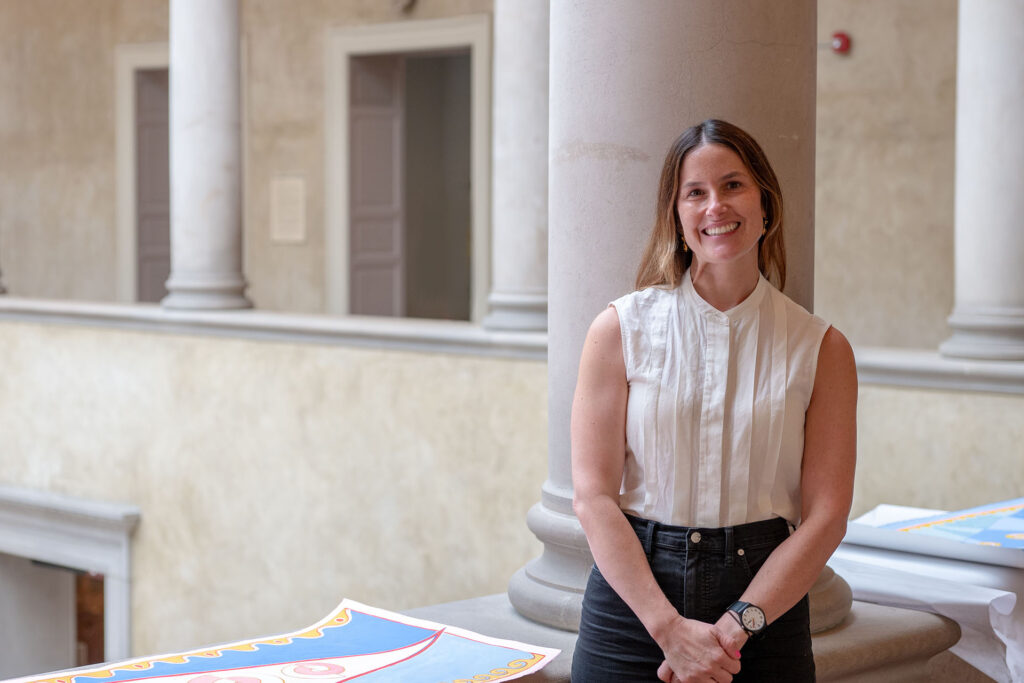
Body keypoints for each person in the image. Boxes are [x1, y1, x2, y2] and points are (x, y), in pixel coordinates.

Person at [569, 119, 857, 683]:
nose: (714, 206)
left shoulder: (821, 348)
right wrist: (669, 630)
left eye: (732, 185)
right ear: (675, 216)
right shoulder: (619, 329)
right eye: (694, 193)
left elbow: (827, 516)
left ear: (765, 203)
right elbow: (592, 496)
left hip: (763, 604)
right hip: (633, 602)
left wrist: (733, 630)